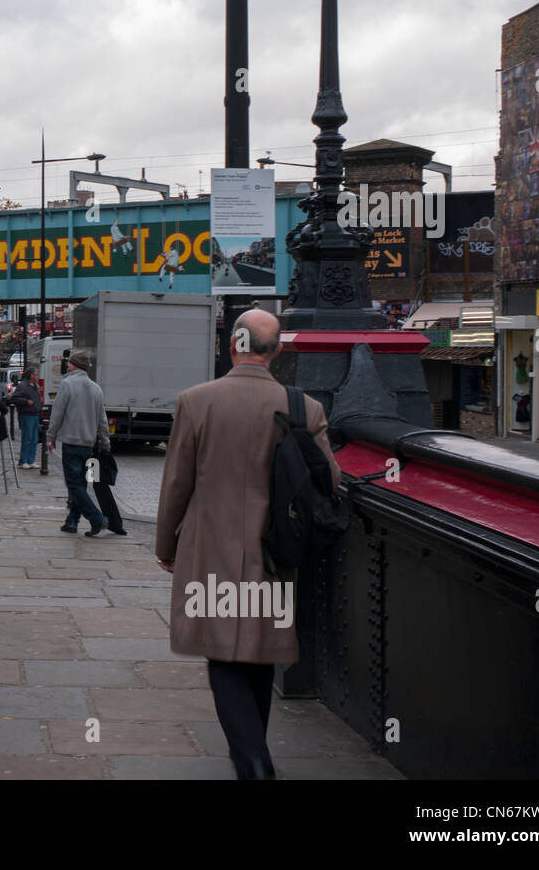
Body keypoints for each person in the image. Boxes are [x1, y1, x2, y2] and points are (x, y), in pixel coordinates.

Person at [154, 309, 340, 780]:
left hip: (210, 549)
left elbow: (177, 483)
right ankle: (252, 752)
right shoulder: (305, 408)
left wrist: (166, 546)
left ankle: (253, 761)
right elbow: (329, 482)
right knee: (260, 650)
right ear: (277, 350)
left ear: (234, 343)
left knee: (224, 654)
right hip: (276, 552)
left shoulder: (196, 401)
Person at [46, 350, 110, 536]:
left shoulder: (67, 384)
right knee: (81, 484)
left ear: (74, 365)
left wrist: (50, 436)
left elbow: (57, 413)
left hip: (71, 442)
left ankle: (97, 518)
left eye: (69, 362)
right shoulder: (96, 388)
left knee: (73, 484)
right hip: (89, 444)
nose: (68, 365)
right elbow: (102, 419)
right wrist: (104, 442)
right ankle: (72, 522)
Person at [90, 442, 126, 535]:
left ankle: (107, 521)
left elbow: (102, 428)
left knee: (96, 484)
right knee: (97, 484)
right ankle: (114, 523)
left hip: (92, 450)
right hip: (92, 449)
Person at [10, 369, 42, 468]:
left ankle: (31, 460)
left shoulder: (34, 386)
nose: (37, 376)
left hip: (35, 414)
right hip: (26, 415)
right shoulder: (23, 385)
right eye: (36, 374)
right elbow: (14, 398)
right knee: (27, 438)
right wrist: (26, 401)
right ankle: (23, 461)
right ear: (31, 376)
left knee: (34, 439)